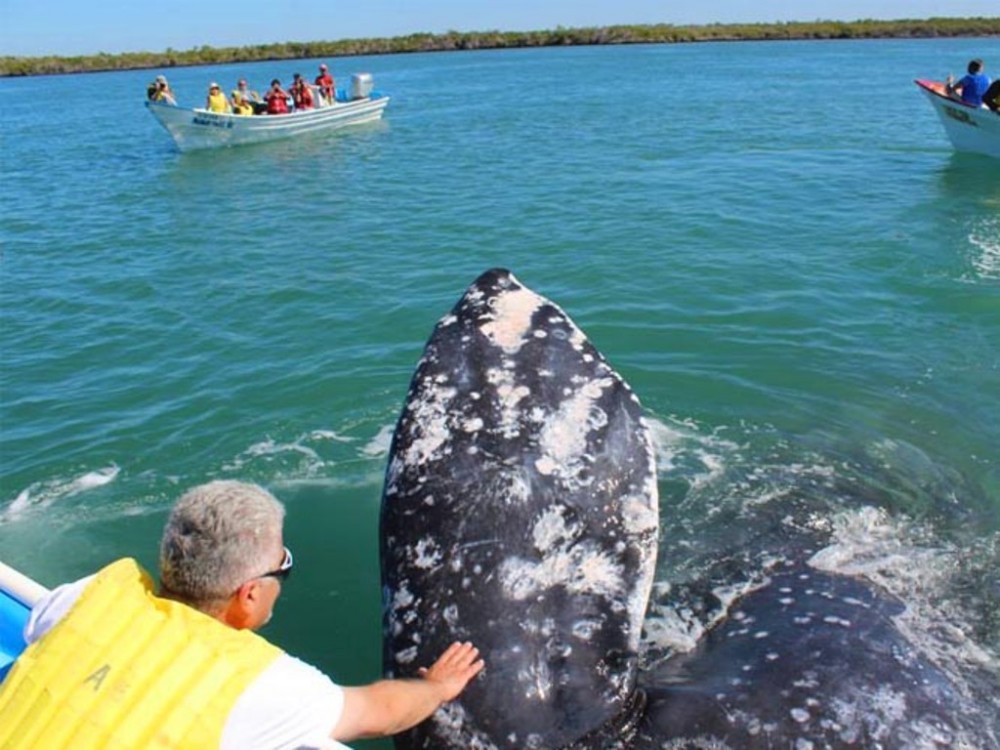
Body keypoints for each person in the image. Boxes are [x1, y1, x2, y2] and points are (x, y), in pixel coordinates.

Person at [0, 481, 484, 749]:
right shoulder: (263, 687)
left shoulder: (88, 596)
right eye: (283, 566)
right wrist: (438, 688)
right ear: (248, 595)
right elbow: (380, 714)